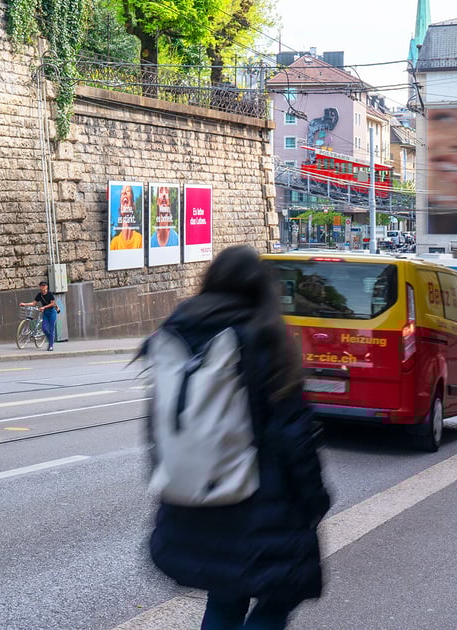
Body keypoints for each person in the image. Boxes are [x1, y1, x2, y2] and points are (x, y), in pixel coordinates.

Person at [143, 245, 331, 629]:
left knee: (225, 597)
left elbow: (157, 428)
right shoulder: (264, 337)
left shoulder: (176, 332)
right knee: (279, 596)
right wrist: (315, 499)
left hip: (198, 497)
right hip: (262, 501)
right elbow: (295, 436)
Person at [19, 280, 59, 351]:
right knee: (44, 328)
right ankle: (51, 339)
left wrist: (44, 307)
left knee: (51, 329)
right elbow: (34, 303)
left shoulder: (50, 294)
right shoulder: (39, 295)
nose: (42, 287)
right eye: (41, 286)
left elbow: (52, 304)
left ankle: (51, 345)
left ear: (46, 286)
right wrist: (24, 304)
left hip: (52, 312)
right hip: (45, 313)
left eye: (43, 286)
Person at [110, 185, 143, 250]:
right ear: (120, 210)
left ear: (133, 206)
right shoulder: (115, 242)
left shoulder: (139, 240)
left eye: (128, 191)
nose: (124, 193)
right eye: (122, 193)